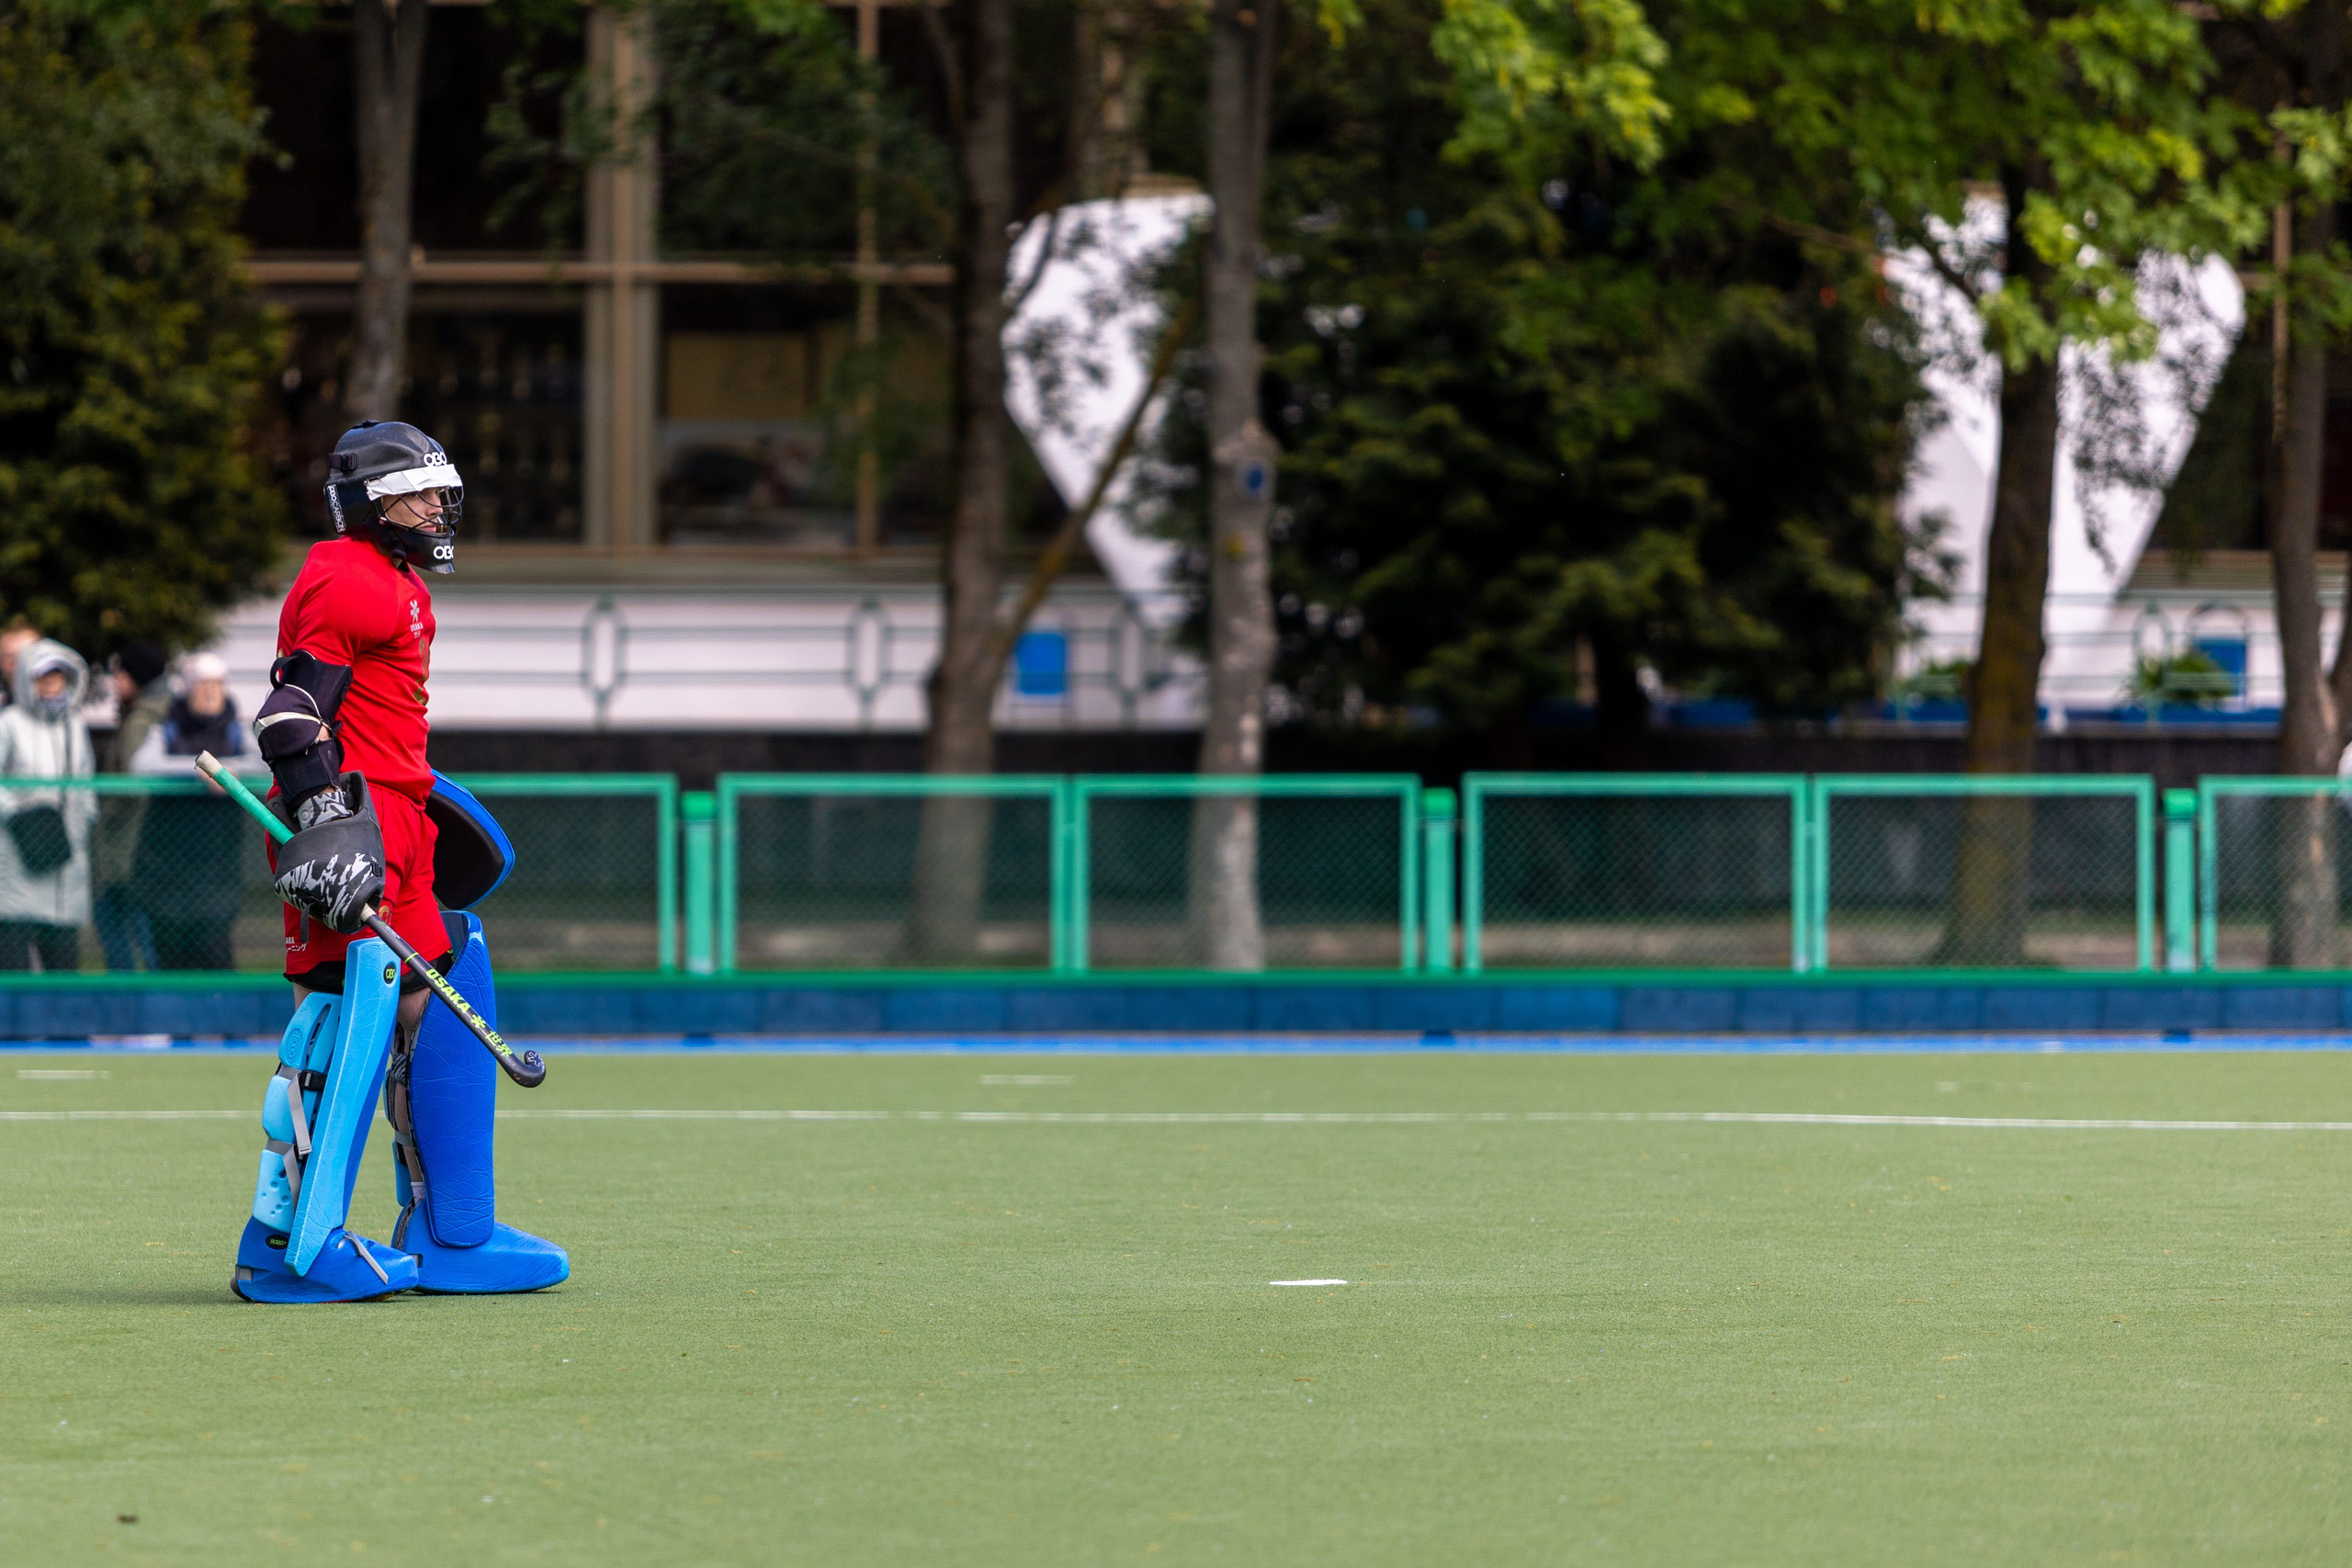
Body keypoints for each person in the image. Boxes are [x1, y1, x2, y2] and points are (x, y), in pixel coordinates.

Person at [231, 419, 565, 1304]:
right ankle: (288, 1248)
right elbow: (291, 718)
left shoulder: (399, 581)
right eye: (418, 495)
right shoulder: (345, 574)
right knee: (339, 1021)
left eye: (438, 494)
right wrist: (327, 825)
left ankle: (453, 1233)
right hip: (355, 828)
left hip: (401, 821)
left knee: (445, 994)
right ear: (372, 503)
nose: (435, 510)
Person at [128, 653, 249, 970]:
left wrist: (226, 772)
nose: (211, 691)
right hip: (165, 871)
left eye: (217, 684)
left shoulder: (237, 732)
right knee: (170, 962)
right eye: (203, 684)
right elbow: (142, 765)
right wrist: (200, 770)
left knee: (215, 956)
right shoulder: (166, 730)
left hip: (218, 869)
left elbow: (263, 763)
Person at [0, 640, 96, 971]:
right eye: (43, 675)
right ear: (27, 679)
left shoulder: (75, 724)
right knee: (15, 973)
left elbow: (85, 780)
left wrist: (84, 820)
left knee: (63, 971)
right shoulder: (9, 723)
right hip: (18, 861)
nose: (52, 681)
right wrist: (19, 816)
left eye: (58, 674)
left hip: (65, 863)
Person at [93, 642, 171, 970]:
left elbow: (132, 786)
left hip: (128, 846)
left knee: (117, 920)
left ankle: (128, 992)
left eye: (120, 674)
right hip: (147, 847)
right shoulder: (163, 712)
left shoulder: (139, 721)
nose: (115, 682)